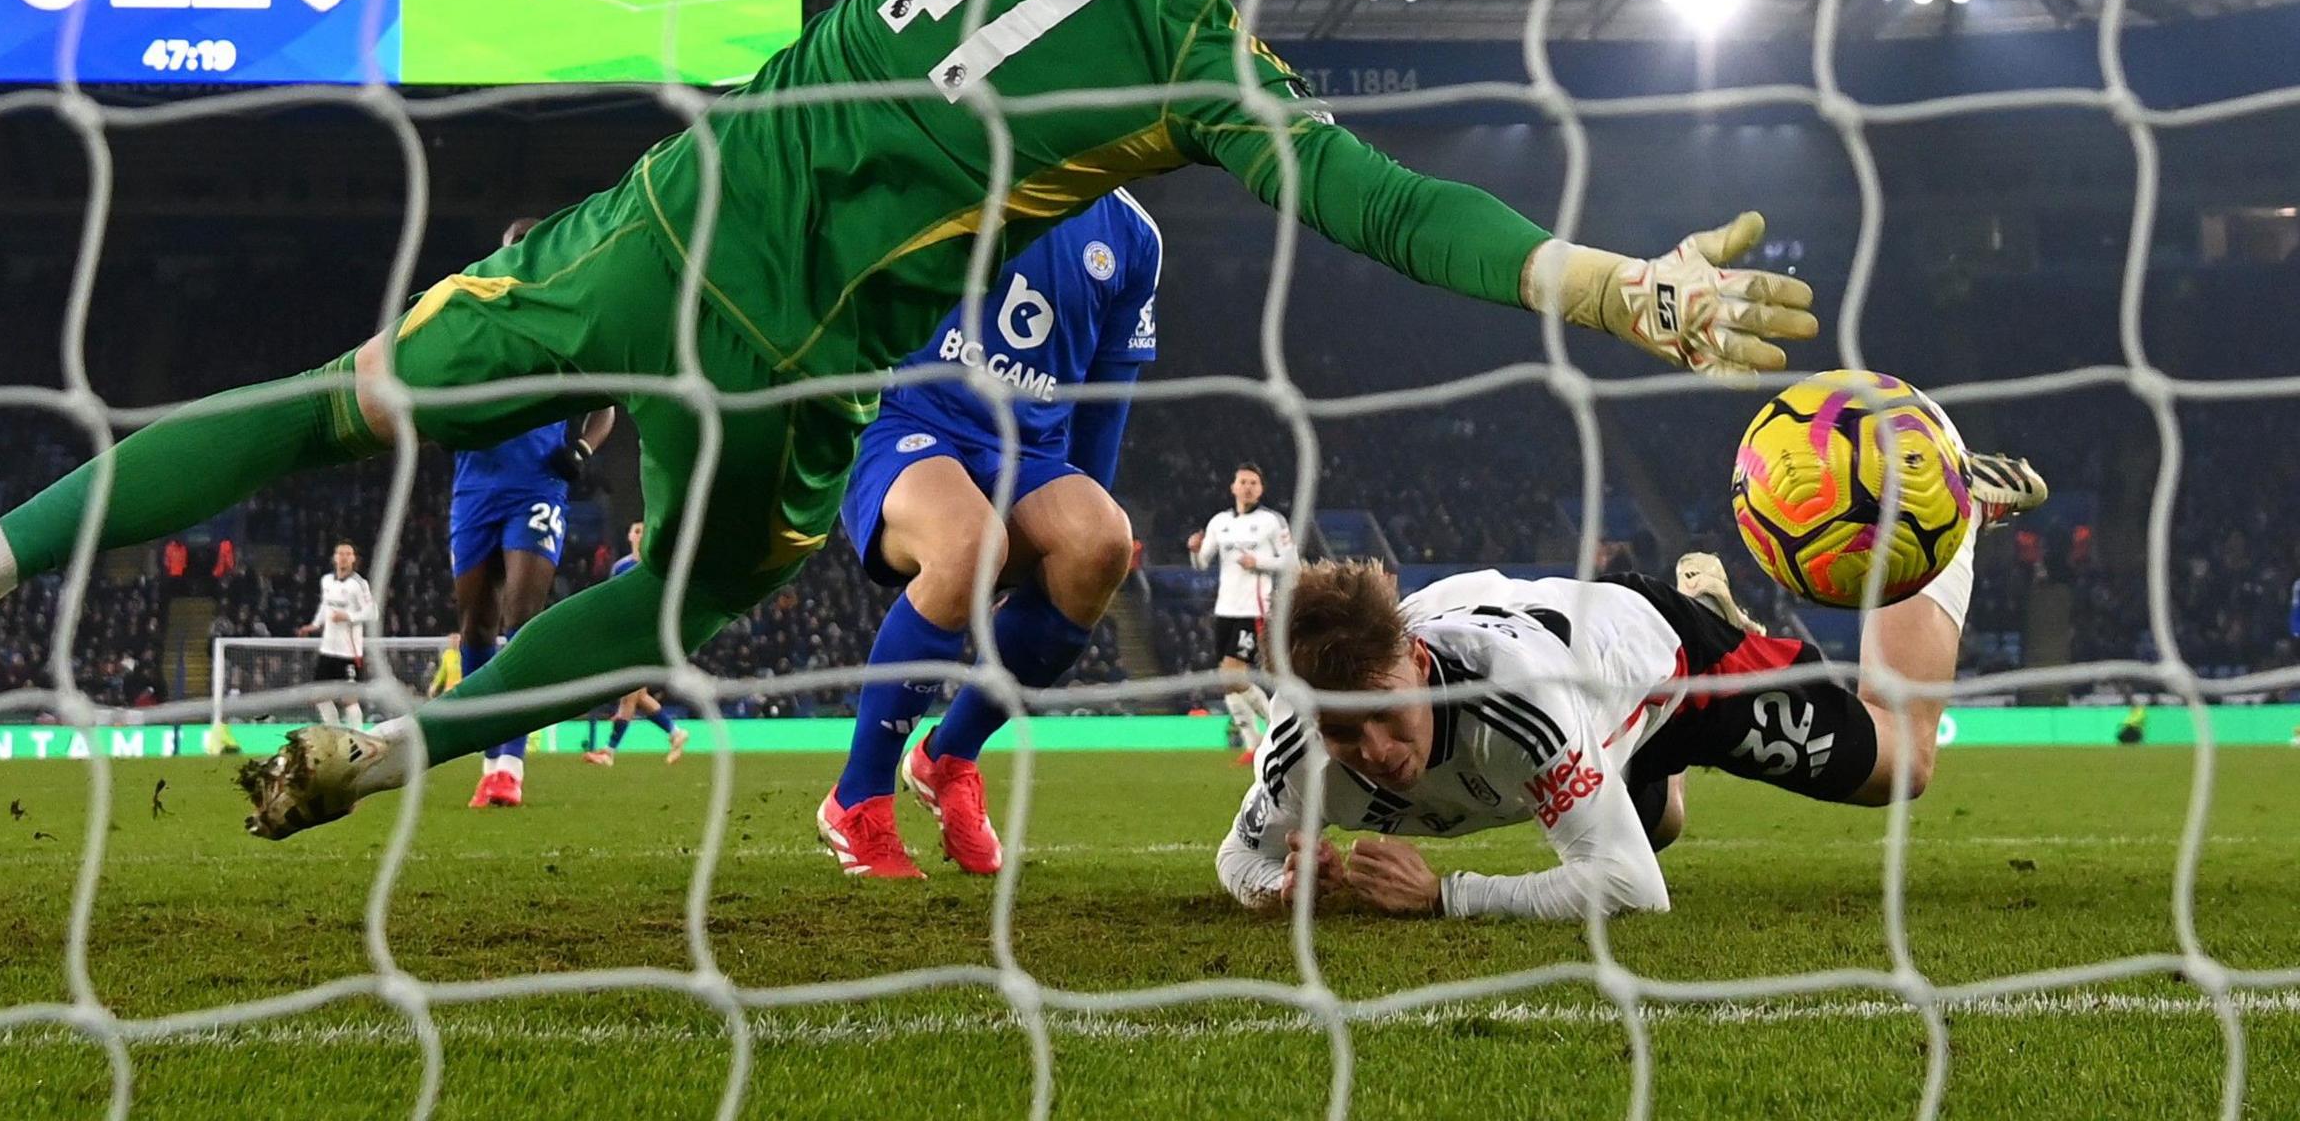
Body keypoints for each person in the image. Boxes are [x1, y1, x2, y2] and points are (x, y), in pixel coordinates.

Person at [0, 0, 1809, 843]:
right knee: (675, 606)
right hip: (806, 357)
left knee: (331, 409)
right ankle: (393, 749)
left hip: (671, 223)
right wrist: (1617, 290)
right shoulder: (1194, 67)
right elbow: (1386, 207)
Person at [1216, 447, 2047, 921]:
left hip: (1666, 662)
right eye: (1343, 733)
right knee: (1658, 823)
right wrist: (1272, 888)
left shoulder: (1515, 707)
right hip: (1579, 681)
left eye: (1386, 716)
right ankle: (1637, 744)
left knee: (1900, 762)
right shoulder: (1297, 744)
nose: (1375, 753)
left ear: (1420, 667)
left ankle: (1951, 510)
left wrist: (1445, 895)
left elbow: (1633, 892)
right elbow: (1238, 855)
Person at [817, 191, 1161, 879]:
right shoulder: (965, 154)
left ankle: (950, 756)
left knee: (1102, 541)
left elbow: (1102, 405)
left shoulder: (1134, 235)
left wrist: (1081, 515)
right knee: (971, 543)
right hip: (907, 419)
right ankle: (857, 797)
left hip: (1026, 455)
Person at [445, 216, 612, 810]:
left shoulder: (568, 327)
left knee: (522, 616)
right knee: (476, 627)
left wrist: (583, 450)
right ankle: (491, 755)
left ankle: (509, 765)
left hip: (539, 485)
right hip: (474, 490)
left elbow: (605, 407)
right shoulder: (469, 316)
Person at [1188, 463, 1290, 758]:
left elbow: (1290, 560)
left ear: (1261, 489)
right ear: (1233, 487)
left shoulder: (1272, 521)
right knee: (1226, 680)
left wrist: (1259, 562)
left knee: (1234, 676)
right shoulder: (1219, 522)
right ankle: (1252, 744)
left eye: (1253, 482)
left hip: (1254, 608)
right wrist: (1194, 550)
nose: (1247, 487)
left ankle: (1276, 731)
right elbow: (1202, 563)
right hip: (1225, 608)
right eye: (1243, 481)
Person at [586, 521, 689, 766]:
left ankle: (609, 752)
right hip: (626, 635)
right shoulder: (621, 567)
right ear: (630, 536)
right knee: (638, 695)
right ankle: (675, 732)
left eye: (644, 530)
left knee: (629, 695)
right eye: (636, 530)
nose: (640, 535)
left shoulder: (658, 567)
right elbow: (612, 601)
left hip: (648, 637)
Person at [293, 543, 376, 728]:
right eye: (340, 553)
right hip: (328, 650)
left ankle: (357, 739)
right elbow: (325, 605)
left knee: (349, 699)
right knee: (319, 696)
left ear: (354, 559)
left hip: (349, 653)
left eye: (348, 554)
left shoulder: (359, 584)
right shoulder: (327, 581)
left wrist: (348, 616)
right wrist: (314, 625)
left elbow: (372, 613)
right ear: (334, 558)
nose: (344, 557)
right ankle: (335, 733)